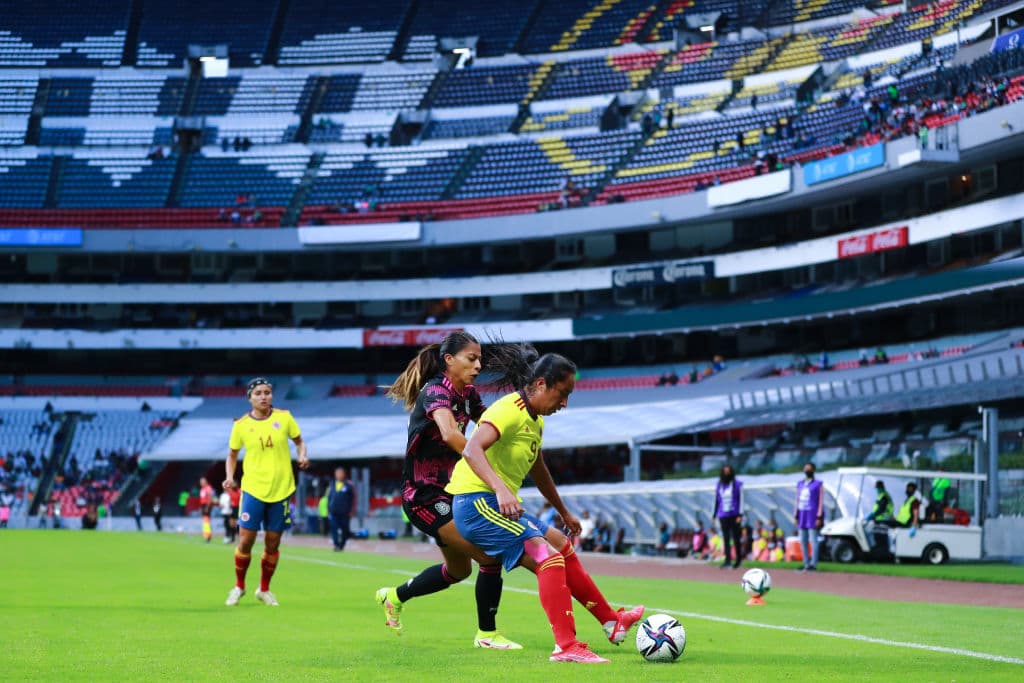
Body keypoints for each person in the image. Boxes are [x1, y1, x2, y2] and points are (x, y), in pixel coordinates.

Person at [447, 344, 644, 664]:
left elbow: (538, 468)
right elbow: (471, 449)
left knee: (561, 546)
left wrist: (563, 511)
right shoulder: (506, 410)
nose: (565, 403)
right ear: (540, 384)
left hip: (496, 504)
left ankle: (612, 621)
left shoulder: (535, 420)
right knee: (548, 559)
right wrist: (501, 490)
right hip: (476, 504)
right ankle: (566, 645)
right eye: (562, 393)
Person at [375, 332, 519, 650]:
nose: (479, 365)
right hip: (423, 495)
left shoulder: (467, 393)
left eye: (480, 359)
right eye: (472, 358)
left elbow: (488, 425)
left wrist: (517, 428)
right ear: (449, 360)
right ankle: (487, 635)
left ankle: (394, 596)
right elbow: (452, 434)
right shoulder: (435, 391)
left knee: (458, 570)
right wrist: (488, 470)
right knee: (489, 558)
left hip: (451, 491)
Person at [223, 377, 309, 607]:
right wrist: (230, 477)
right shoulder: (241, 425)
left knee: (272, 544)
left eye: (267, 392)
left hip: (281, 490)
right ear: (250, 398)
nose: (264, 396)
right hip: (252, 490)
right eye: (259, 393)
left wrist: (302, 454)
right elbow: (232, 455)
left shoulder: (284, 417)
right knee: (245, 541)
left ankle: (264, 589)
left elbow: (300, 442)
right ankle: (239, 586)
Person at [795, 463, 824, 571]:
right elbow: (797, 500)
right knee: (803, 540)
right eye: (806, 468)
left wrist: (819, 517)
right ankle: (806, 563)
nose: (807, 471)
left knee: (813, 540)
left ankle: (813, 564)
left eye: (809, 469)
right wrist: (796, 515)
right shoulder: (800, 484)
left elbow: (820, 501)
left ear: (813, 470)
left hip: (812, 515)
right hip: (802, 515)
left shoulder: (818, 484)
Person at [713, 465, 743, 569]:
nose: (726, 473)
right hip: (723, 514)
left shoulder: (736, 484)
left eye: (728, 471)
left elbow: (741, 499)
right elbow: (717, 500)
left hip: (734, 514)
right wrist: (714, 514)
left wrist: (740, 514)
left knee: (736, 538)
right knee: (726, 538)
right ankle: (727, 560)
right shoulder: (719, 485)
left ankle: (738, 560)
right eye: (725, 471)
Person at [328, 466, 355, 551]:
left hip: (344, 512)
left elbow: (353, 499)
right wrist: (328, 509)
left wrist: (351, 511)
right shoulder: (332, 484)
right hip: (334, 511)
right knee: (333, 527)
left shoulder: (349, 485)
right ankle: (336, 544)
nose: (338, 475)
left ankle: (342, 545)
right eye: (337, 473)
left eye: (340, 473)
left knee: (344, 529)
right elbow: (329, 497)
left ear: (344, 474)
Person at [198, 477, 215, 543]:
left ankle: (208, 536)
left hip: (207, 505)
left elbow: (210, 498)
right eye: (200, 482)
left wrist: (207, 507)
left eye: (202, 482)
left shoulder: (208, 488)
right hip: (203, 505)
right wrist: (200, 507)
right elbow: (201, 499)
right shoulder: (202, 489)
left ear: (205, 482)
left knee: (206, 521)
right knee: (205, 521)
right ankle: (206, 535)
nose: (201, 483)